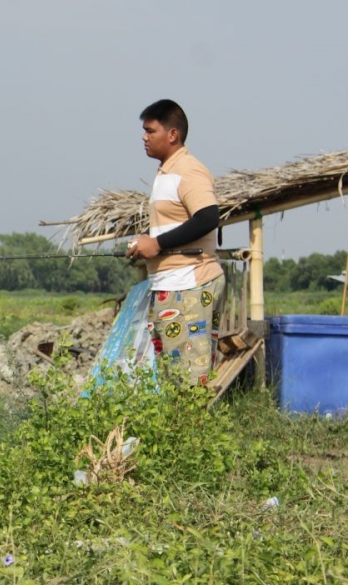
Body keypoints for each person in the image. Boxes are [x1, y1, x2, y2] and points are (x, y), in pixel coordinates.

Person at [125, 100, 225, 386]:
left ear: (172, 134)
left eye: (150, 130)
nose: (144, 137)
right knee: (173, 377)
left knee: (190, 379)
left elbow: (208, 217)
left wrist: (157, 245)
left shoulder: (188, 170)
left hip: (189, 284)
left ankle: (192, 432)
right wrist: (143, 246)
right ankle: (180, 431)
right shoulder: (166, 172)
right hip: (171, 284)